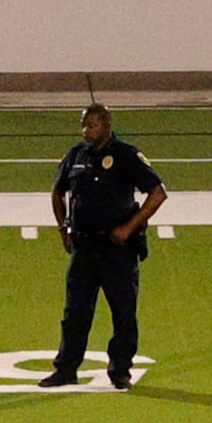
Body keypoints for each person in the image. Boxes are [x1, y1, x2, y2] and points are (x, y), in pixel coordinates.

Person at [47, 104, 169, 390]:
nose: (87, 130)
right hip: (84, 249)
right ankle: (66, 369)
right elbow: (57, 190)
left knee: (123, 313)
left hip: (117, 252)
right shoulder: (76, 155)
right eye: (84, 125)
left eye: (92, 125)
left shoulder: (126, 156)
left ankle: (120, 370)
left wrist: (128, 227)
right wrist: (63, 226)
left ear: (107, 125)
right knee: (75, 313)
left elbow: (158, 193)